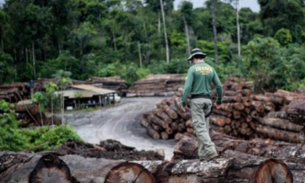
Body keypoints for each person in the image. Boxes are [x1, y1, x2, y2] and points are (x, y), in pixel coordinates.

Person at [180, 48, 223, 161]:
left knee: (199, 128)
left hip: (197, 101)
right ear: (202, 57)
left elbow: (187, 87)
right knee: (204, 128)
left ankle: (211, 150)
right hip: (208, 101)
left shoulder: (192, 69)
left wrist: (183, 102)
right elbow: (219, 86)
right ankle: (203, 155)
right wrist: (219, 100)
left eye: (192, 60)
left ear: (194, 58)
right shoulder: (210, 68)